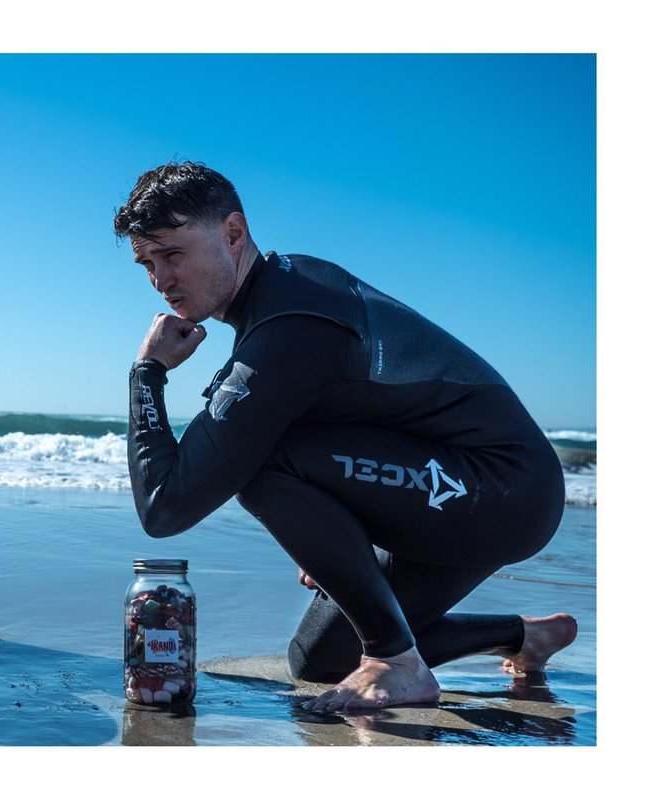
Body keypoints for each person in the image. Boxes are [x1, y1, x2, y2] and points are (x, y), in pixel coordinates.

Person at [115, 161, 577, 713]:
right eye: (147, 263)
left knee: (264, 461)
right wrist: (334, 531)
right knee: (318, 661)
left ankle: (398, 663)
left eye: (172, 255)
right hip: (453, 487)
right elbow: (364, 416)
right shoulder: (290, 285)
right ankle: (523, 637)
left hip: (499, 491)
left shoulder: (291, 327)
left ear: (233, 233)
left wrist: (147, 371)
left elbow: (164, 507)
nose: (161, 280)